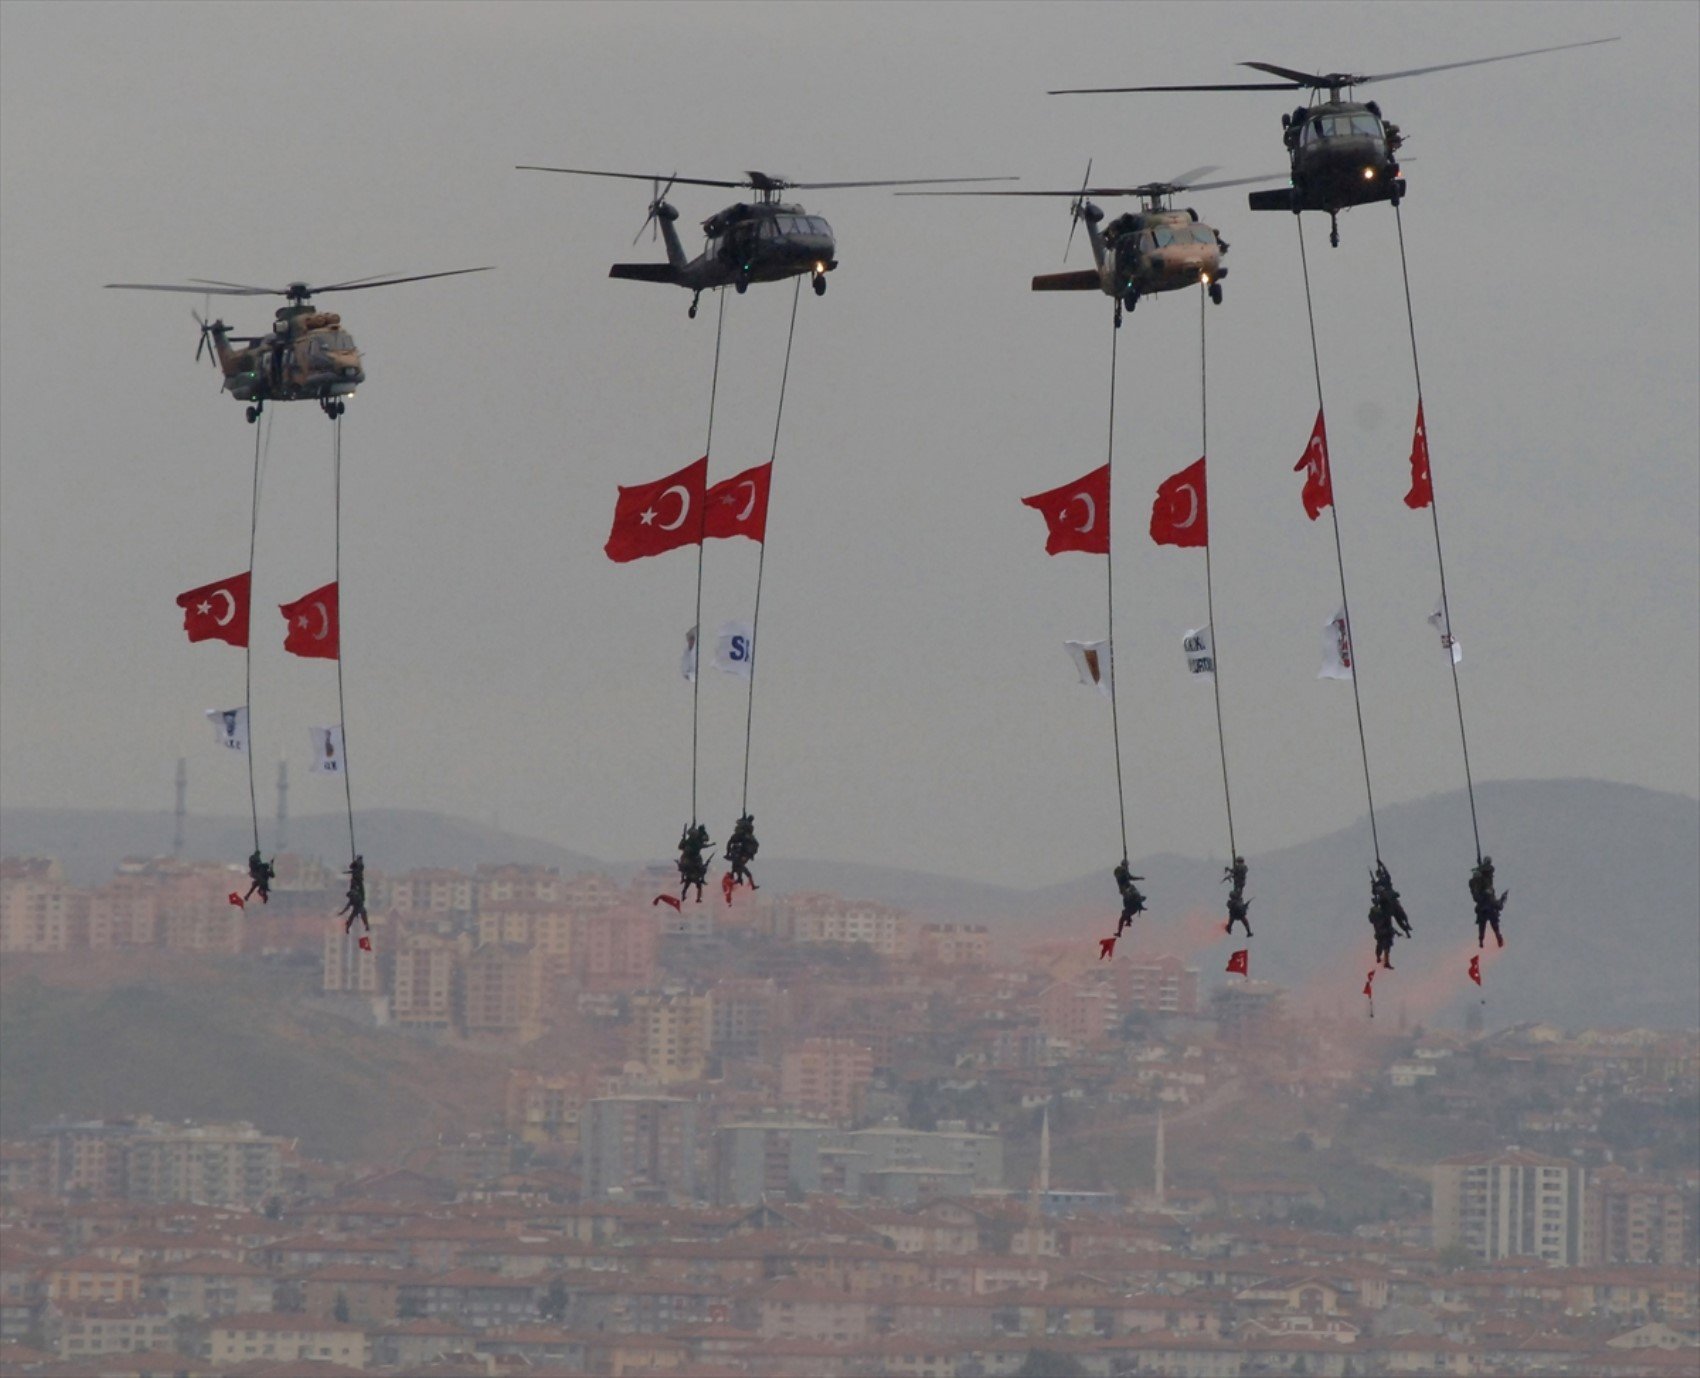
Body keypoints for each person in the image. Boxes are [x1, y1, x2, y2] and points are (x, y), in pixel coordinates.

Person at [1470, 856, 1507, 949]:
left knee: (1489, 924)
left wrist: (1479, 866)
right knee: (1485, 924)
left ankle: (1494, 938)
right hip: (1486, 904)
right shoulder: (1481, 880)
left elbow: (1487, 868)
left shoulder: (1487, 871)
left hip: (1487, 904)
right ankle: (1482, 940)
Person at [1372, 861, 1413, 939]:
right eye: (1378, 874)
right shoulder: (1378, 884)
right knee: (1396, 919)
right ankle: (1403, 931)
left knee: (1401, 913)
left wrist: (1382, 865)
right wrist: (1373, 884)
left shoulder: (1386, 880)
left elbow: (1387, 874)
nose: (1380, 875)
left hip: (1392, 899)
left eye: (1380, 874)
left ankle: (1407, 925)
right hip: (1385, 903)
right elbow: (1374, 892)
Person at [677, 822, 713, 904]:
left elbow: (704, 841)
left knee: (702, 868)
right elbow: (680, 847)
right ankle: (683, 878)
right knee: (684, 866)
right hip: (688, 857)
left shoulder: (697, 841)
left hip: (695, 857)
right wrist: (683, 840)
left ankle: (701, 879)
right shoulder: (689, 841)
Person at [725, 814, 759, 893]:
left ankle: (748, 884)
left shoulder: (747, 825)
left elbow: (749, 829)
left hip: (745, 838)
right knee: (741, 872)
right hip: (742, 840)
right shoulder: (743, 825)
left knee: (754, 844)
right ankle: (749, 884)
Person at [1113, 859, 1146, 936]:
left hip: (1128, 890)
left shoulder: (1124, 872)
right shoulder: (1119, 870)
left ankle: (1139, 901)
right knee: (1128, 895)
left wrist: (1139, 878)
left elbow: (1130, 877)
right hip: (1125, 889)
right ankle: (1120, 931)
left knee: (1133, 891)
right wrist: (1125, 871)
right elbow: (1120, 875)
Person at [337, 854, 369, 934]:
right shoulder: (352, 899)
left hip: (360, 904)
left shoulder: (360, 866)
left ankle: (366, 926)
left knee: (362, 915)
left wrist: (355, 865)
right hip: (358, 905)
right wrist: (342, 912)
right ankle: (348, 928)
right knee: (351, 918)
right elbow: (347, 907)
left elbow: (358, 867)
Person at [1368, 893, 1396, 970]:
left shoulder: (1383, 911)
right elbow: (1372, 920)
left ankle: (1386, 962)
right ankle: (1378, 957)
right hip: (1380, 931)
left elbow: (1388, 922)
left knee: (1387, 947)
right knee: (1380, 945)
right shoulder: (1374, 911)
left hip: (1386, 932)